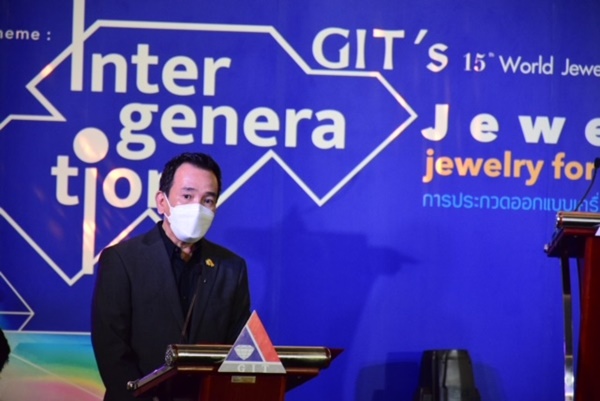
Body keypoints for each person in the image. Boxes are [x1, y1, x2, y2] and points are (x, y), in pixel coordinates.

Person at [91, 152, 251, 401]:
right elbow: (112, 350)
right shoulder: (122, 260)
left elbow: (237, 350)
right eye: (187, 196)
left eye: (208, 200)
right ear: (162, 202)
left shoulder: (231, 268)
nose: (197, 207)